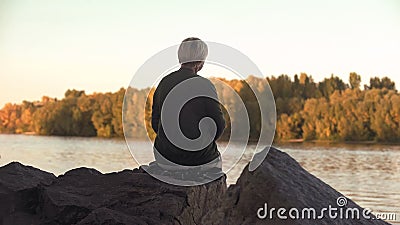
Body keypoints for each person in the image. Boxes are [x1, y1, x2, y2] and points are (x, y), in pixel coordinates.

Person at [151, 37, 226, 168]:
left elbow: (155, 122)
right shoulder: (204, 85)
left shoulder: (164, 82)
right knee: (216, 160)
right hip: (198, 159)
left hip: (165, 158)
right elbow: (219, 124)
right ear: (200, 61)